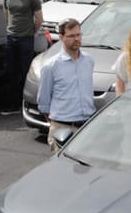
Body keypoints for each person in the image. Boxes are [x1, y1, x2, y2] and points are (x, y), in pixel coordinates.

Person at [35, 18, 95, 150]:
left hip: (86, 127)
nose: (76, 39)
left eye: (78, 35)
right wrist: (55, 124)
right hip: (62, 127)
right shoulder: (51, 66)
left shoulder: (89, 61)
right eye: (71, 36)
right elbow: (43, 102)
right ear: (61, 37)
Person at [0, 0, 43, 115]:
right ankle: (13, 104)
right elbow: (6, 12)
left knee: (25, 71)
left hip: (26, 38)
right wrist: (9, 27)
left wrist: (31, 32)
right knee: (11, 71)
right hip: (11, 37)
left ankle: (26, 103)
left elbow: (39, 19)